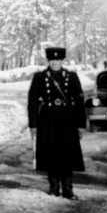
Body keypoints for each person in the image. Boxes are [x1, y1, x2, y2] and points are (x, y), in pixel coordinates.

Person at [27, 47, 86, 199]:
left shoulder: (71, 76)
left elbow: (79, 101)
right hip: (48, 119)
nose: (54, 63)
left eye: (57, 60)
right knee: (50, 151)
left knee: (67, 152)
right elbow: (32, 102)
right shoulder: (40, 77)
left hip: (67, 119)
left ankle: (67, 188)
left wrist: (81, 124)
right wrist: (33, 125)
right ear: (48, 60)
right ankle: (54, 187)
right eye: (52, 60)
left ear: (62, 60)